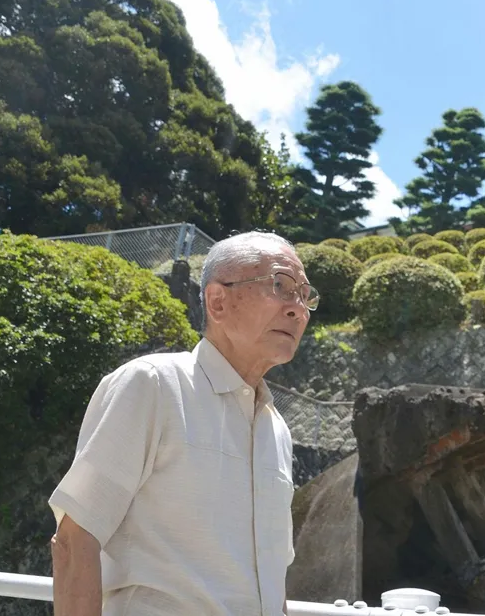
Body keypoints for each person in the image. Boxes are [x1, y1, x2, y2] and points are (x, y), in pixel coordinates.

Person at [49, 231, 316, 616]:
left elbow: (271, 579)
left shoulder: (277, 430)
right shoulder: (152, 385)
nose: (298, 309)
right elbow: (75, 541)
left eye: (305, 295)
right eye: (281, 286)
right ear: (218, 301)